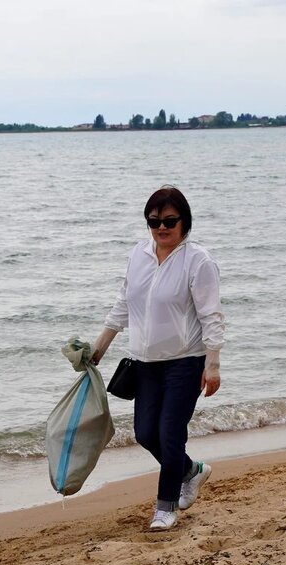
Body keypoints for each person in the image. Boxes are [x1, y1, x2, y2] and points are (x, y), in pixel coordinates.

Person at [91, 186, 225, 531]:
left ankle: (165, 507)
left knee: (169, 433)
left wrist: (213, 365)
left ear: (184, 221)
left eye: (169, 221)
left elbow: (211, 315)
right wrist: (99, 347)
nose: (161, 228)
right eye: (154, 221)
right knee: (145, 432)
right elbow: (123, 304)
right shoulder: (139, 255)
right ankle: (190, 470)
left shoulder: (198, 260)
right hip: (144, 363)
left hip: (186, 361)